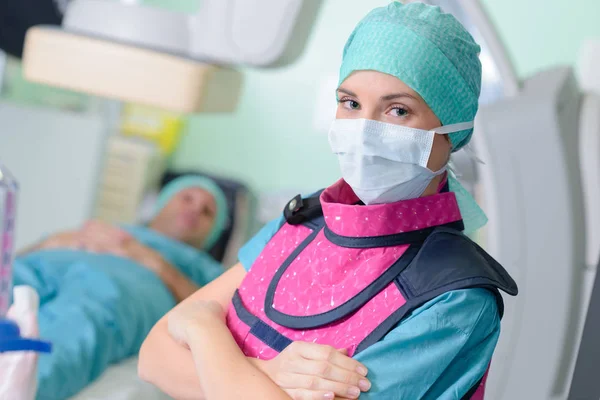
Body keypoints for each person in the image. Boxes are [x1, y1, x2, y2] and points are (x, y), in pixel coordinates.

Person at [139, 3, 518, 400]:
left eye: (398, 110)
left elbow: (182, 333)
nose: (364, 130)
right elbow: (154, 357)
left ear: (451, 132)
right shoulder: (299, 225)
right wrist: (268, 374)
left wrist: (202, 327)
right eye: (350, 103)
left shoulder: (451, 297)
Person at [13, 175, 228, 400]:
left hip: (122, 288)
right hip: (52, 259)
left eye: (207, 212)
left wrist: (151, 260)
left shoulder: (204, 269)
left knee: (79, 321)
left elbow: (215, 313)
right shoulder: (113, 228)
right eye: (187, 198)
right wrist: (48, 243)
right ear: (162, 202)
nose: (195, 209)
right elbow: (12, 260)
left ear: (212, 233)